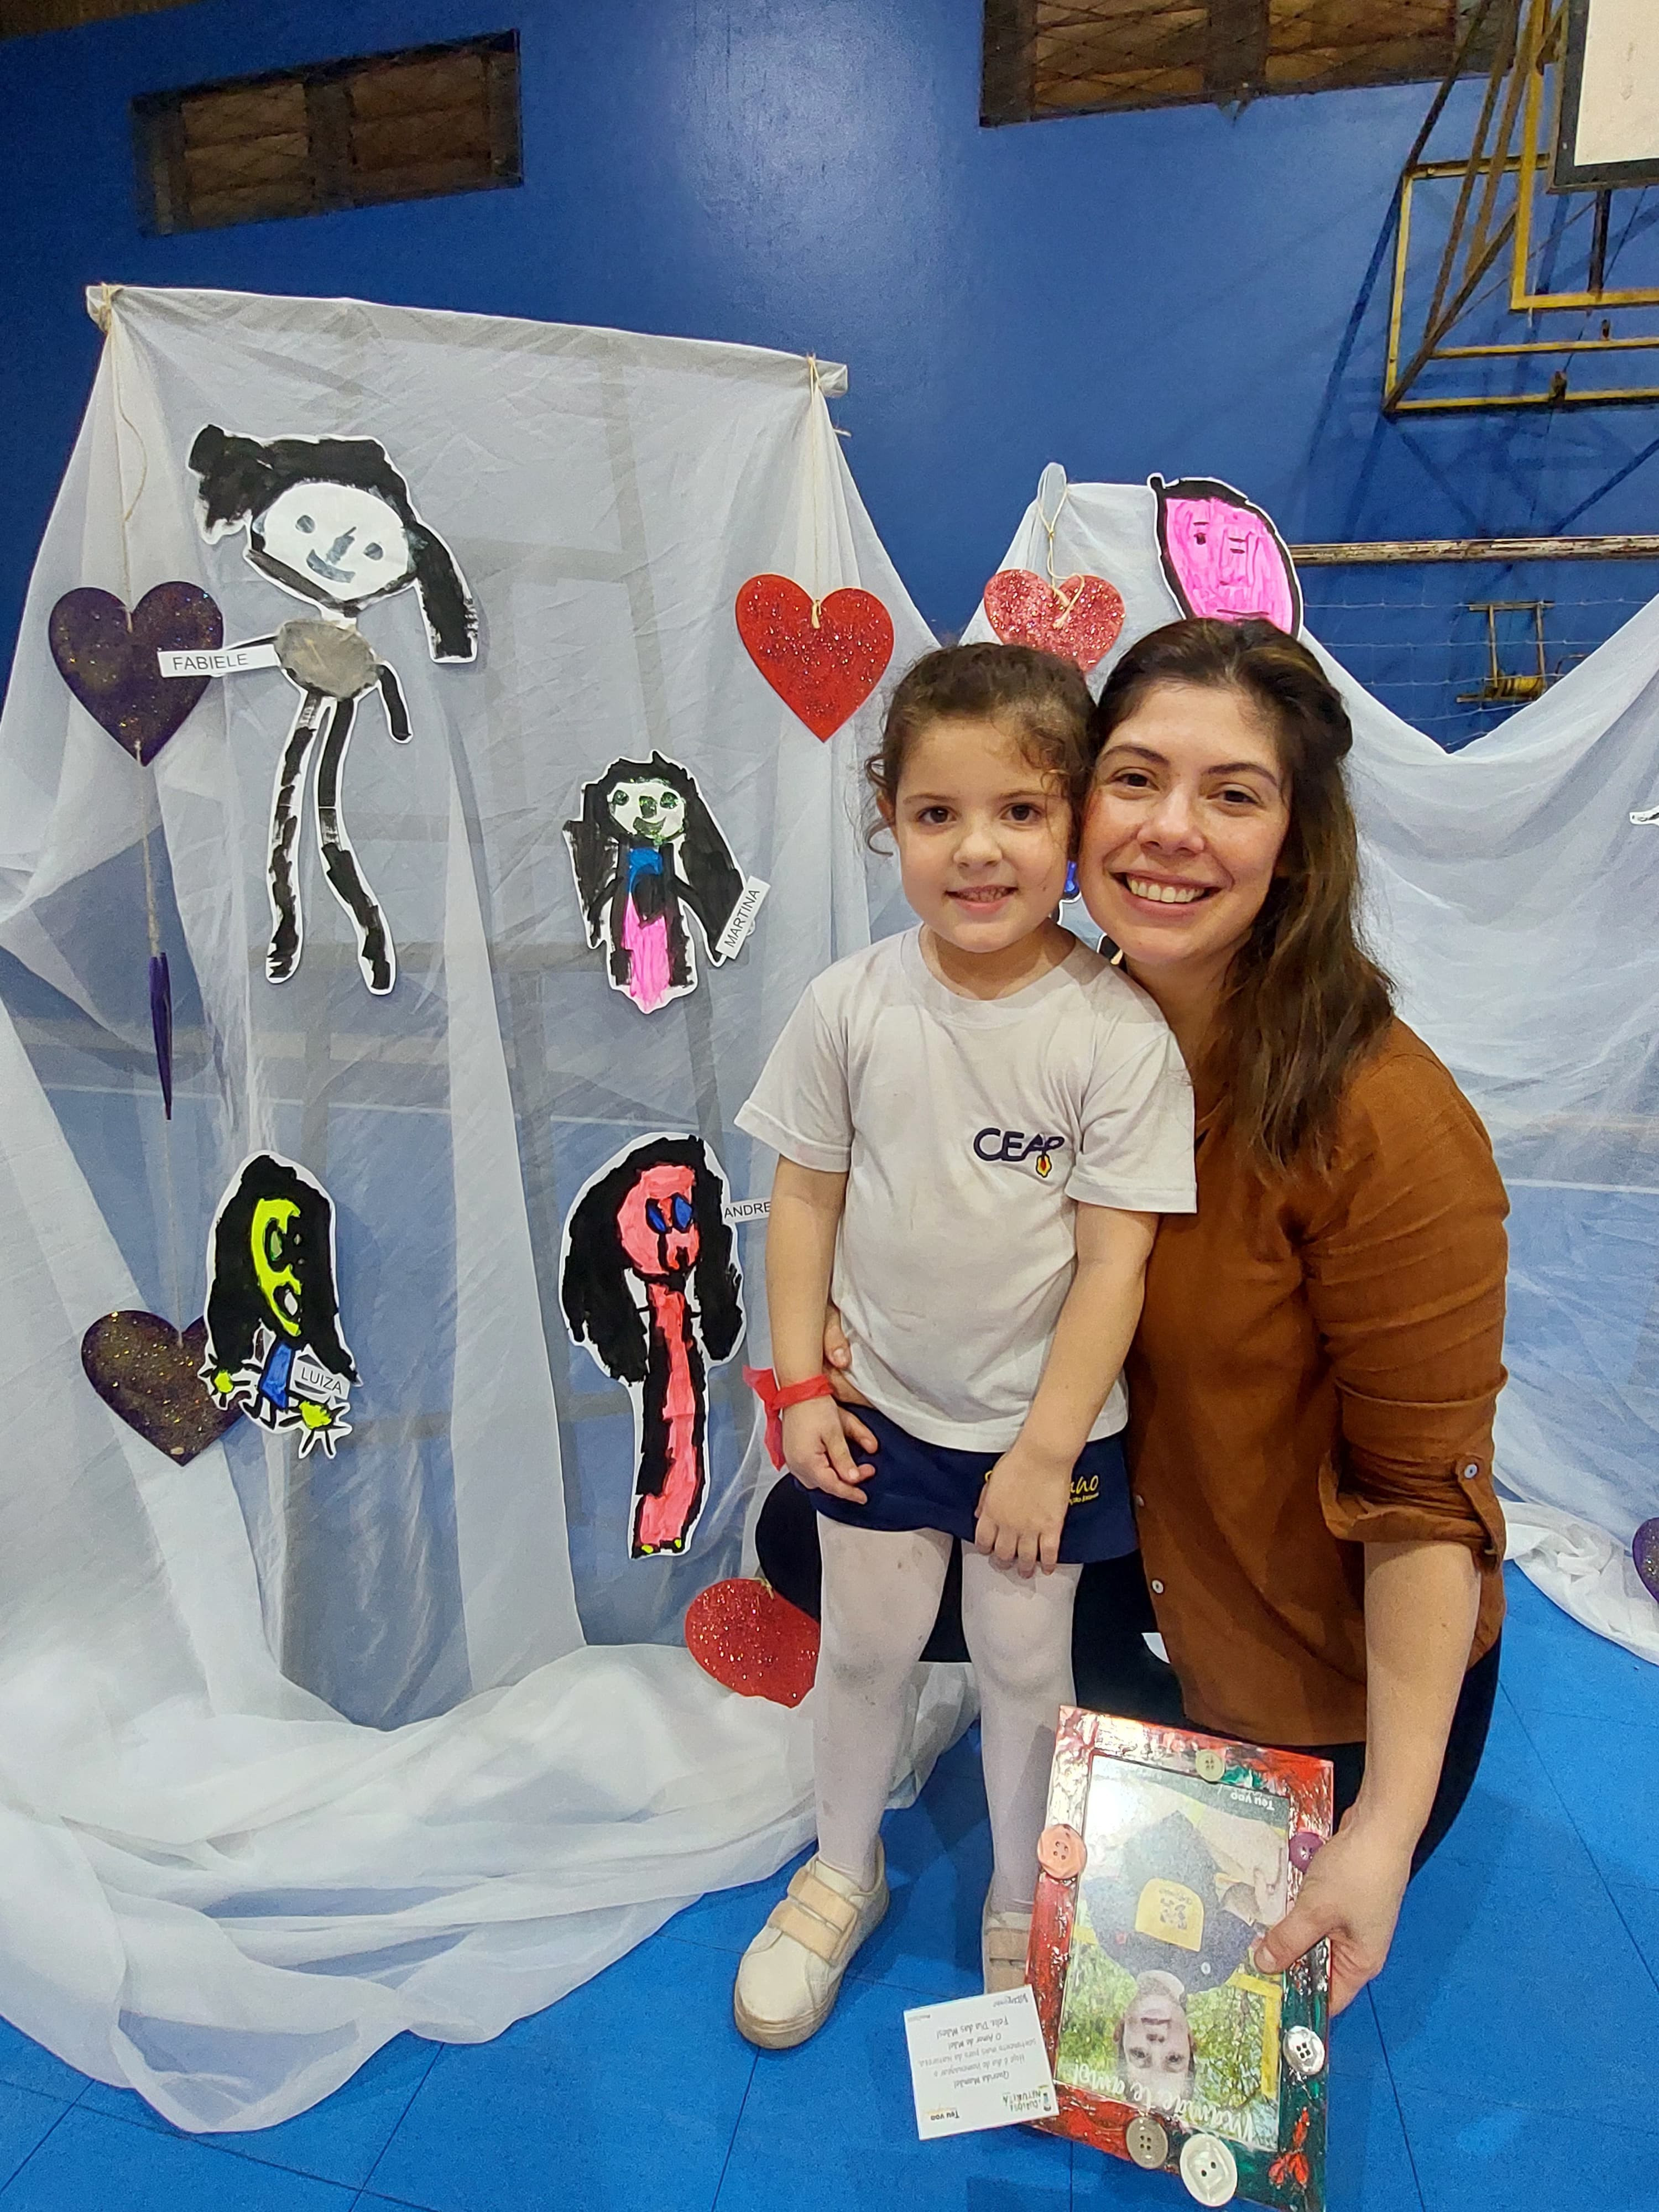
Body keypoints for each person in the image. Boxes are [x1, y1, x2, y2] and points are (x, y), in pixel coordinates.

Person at [756, 616, 1509, 2017]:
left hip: (1292, 1653)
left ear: (1299, 838)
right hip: (1116, 1538)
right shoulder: (1056, 1015)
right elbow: (881, 1185)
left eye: (1234, 792)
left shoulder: (1384, 1125)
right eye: (1138, 777)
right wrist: (841, 1325)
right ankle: (854, 1861)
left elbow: (1426, 1503)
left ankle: (1061, 1868)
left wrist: (1384, 1821)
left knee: (1190, 2002)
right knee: (815, 1540)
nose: (1171, 828)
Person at [729, 644, 1196, 2050]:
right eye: (938, 813)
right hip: (881, 1414)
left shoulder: (1114, 1034)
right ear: (890, 819)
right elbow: (804, 1198)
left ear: (1075, 826)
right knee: (865, 1651)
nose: (978, 849)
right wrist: (801, 1380)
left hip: (1038, 1442)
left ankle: (1018, 1898)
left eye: (1021, 811)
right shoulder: (851, 1004)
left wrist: (1044, 1452)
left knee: (1023, 1669)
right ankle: (841, 1870)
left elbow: (1115, 1260)